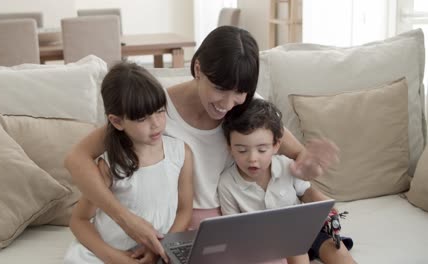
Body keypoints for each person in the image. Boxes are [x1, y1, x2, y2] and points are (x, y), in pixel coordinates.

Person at [65, 26, 339, 262]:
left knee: (328, 246)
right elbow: (77, 159)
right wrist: (125, 219)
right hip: (188, 225)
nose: (227, 104)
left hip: (244, 216)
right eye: (220, 89)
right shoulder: (156, 111)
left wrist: (308, 168)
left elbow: (292, 154)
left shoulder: (246, 104)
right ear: (198, 69)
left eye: (239, 93)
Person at [64, 62, 193, 264]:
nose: (156, 123)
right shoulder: (109, 166)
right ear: (117, 122)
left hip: (160, 250)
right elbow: (78, 221)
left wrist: (159, 248)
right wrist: (115, 258)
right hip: (112, 253)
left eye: (160, 111)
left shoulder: (181, 153)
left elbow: (184, 210)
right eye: (142, 118)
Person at [218, 98, 355, 264]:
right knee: (296, 253)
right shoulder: (227, 184)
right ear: (230, 147)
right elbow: (233, 230)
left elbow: (307, 193)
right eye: (242, 150)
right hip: (266, 243)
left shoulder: (286, 165)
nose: (252, 159)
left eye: (262, 150)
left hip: (305, 230)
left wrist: (325, 205)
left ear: (276, 145)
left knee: (339, 252)